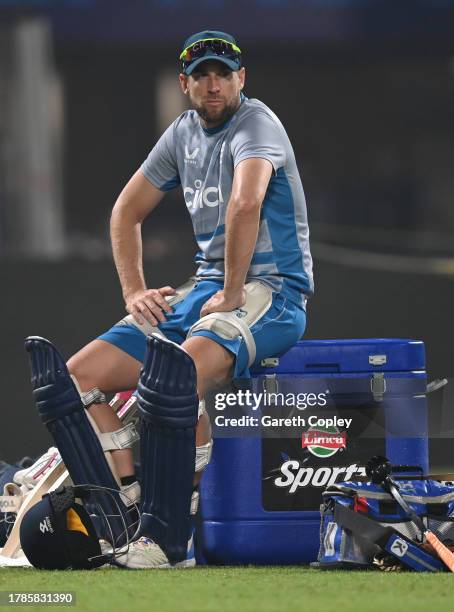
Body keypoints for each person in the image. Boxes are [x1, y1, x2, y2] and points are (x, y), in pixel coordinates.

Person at [26, 29, 314, 569]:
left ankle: (169, 540)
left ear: (241, 80)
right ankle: (129, 502)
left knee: (172, 379)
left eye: (223, 74)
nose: (213, 84)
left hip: (271, 290)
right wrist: (134, 292)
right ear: (184, 84)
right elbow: (124, 213)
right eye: (202, 74)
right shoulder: (181, 134)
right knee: (74, 378)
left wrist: (230, 292)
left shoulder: (257, 123)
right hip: (207, 286)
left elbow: (246, 202)